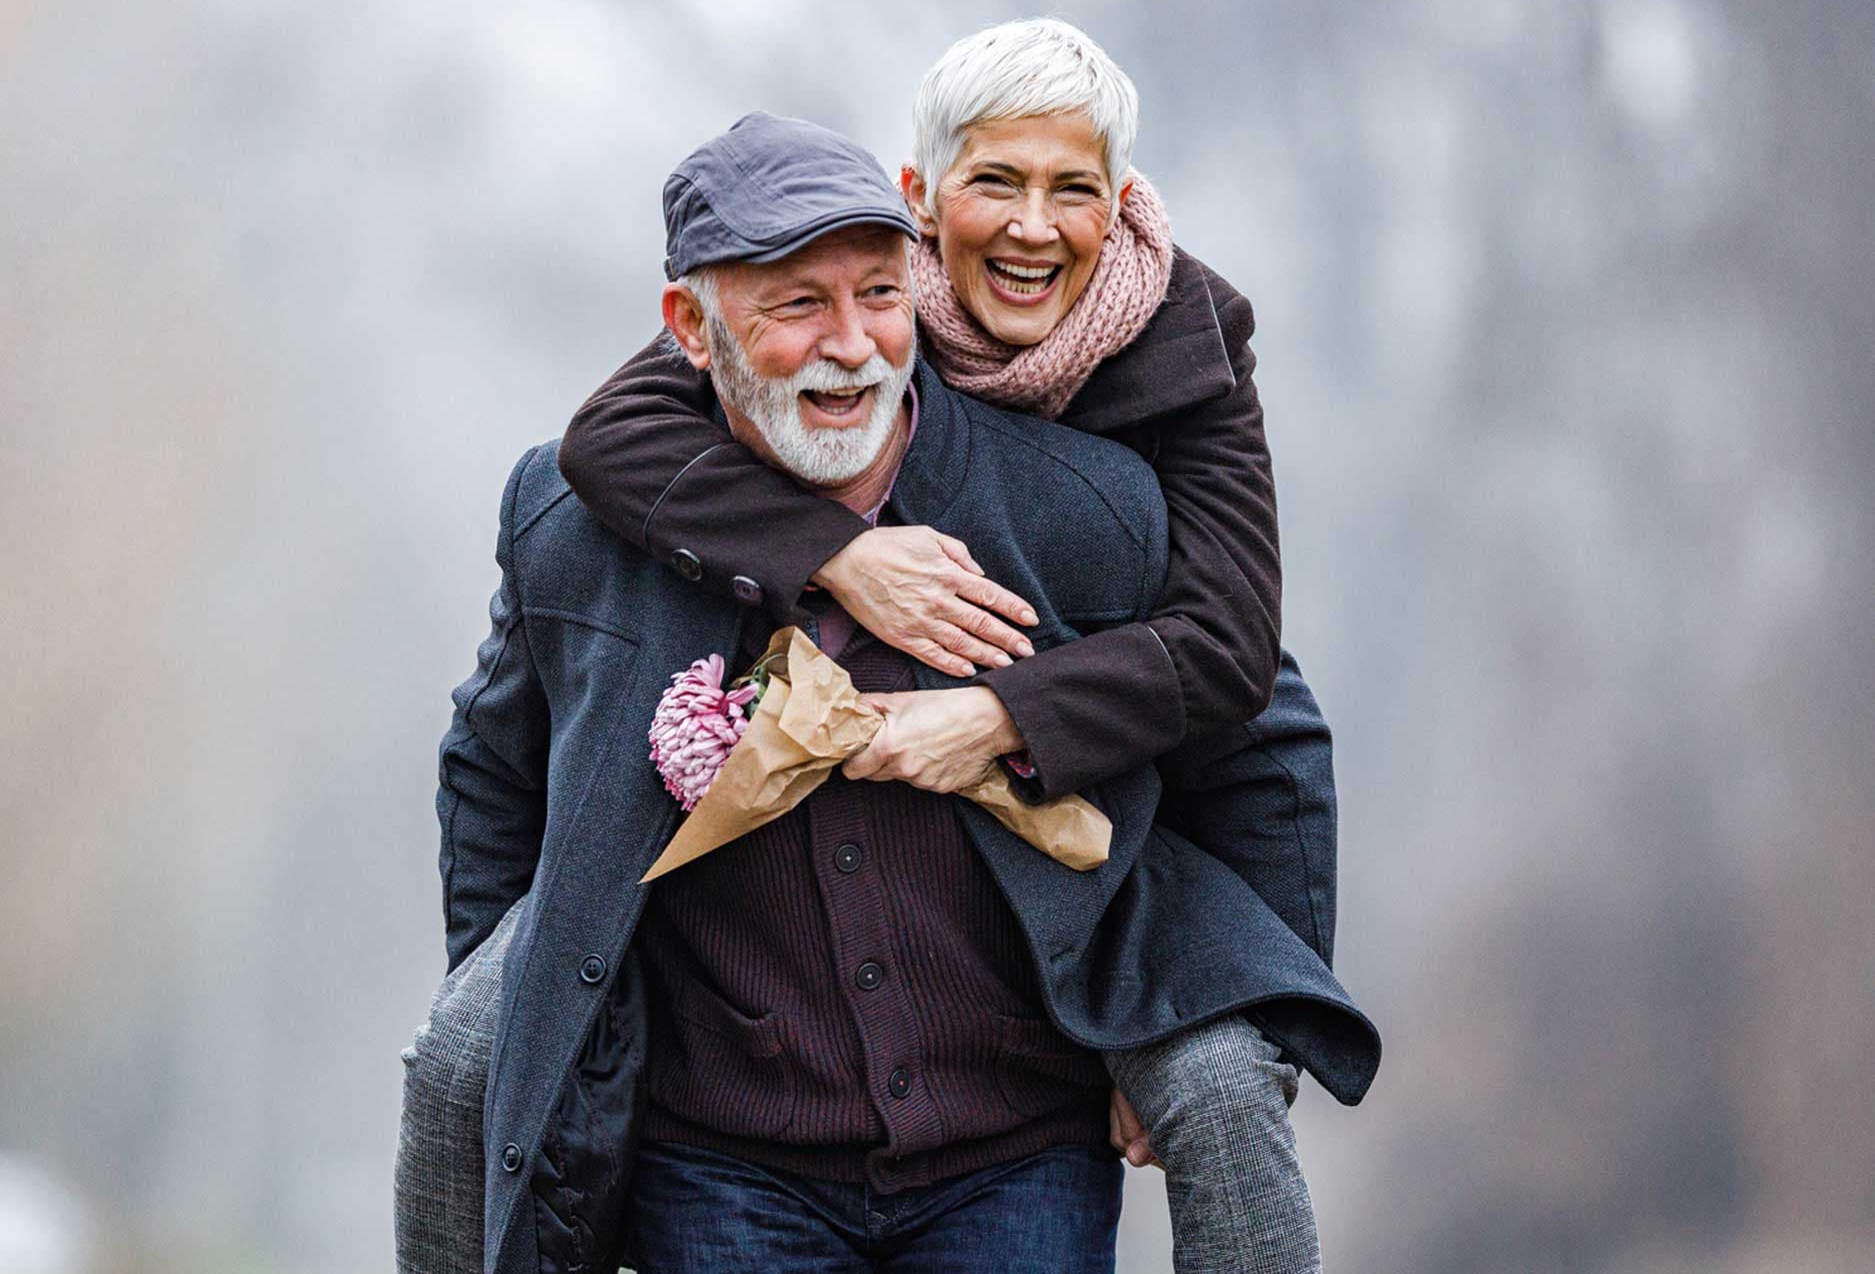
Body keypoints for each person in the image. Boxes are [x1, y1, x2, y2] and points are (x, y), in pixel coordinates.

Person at [398, 113, 1374, 1274]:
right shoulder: (576, 530)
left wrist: (1244, 1000)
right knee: (461, 1055)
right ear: (693, 332)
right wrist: (554, 1017)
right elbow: (491, 773)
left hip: (1019, 1147)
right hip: (720, 1162)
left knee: (1223, 1083)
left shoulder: (1084, 505)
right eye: (798, 305)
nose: (852, 344)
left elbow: (1255, 732)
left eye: (879, 294)